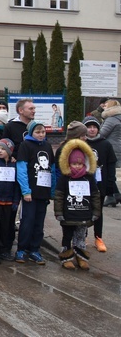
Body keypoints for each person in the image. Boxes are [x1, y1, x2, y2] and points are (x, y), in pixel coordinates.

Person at [54, 139, 101, 270]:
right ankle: (66, 257)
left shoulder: (89, 177)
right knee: (67, 236)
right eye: (74, 163)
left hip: (84, 213)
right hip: (68, 214)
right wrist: (58, 212)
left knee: (81, 237)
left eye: (80, 164)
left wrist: (96, 212)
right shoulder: (65, 177)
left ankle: (81, 257)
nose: (77, 166)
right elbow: (59, 195)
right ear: (69, 163)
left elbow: (95, 195)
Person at [15, 121, 55, 264]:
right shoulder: (25, 146)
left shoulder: (48, 146)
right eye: (38, 132)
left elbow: (53, 169)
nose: (41, 135)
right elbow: (21, 169)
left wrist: (52, 189)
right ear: (32, 132)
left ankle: (34, 249)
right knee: (27, 221)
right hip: (30, 193)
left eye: (43, 132)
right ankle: (21, 249)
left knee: (39, 223)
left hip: (43, 192)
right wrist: (26, 191)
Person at [84, 116, 117, 251]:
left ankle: (98, 237)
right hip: (84, 183)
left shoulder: (105, 144)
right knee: (83, 209)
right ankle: (82, 236)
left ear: (98, 129)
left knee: (98, 211)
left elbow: (111, 164)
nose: (92, 130)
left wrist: (110, 181)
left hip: (100, 183)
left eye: (94, 127)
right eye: (89, 127)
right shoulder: (81, 143)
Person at [99, 99, 121, 206]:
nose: (104, 105)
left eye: (106, 104)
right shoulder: (118, 118)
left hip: (109, 148)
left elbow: (102, 134)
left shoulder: (111, 119)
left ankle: (112, 195)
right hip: (116, 147)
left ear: (111, 106)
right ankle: (115, 195)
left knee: (107, 173)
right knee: (109, 172)